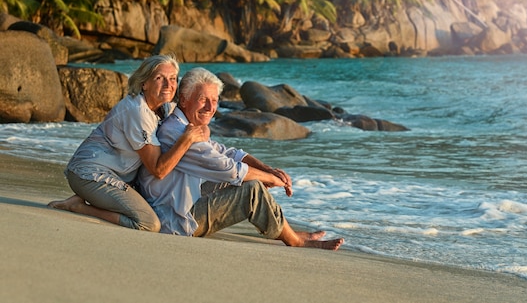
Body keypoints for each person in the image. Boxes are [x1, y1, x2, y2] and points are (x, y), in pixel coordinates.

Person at [138, 67, 344, 250]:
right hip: (176, 221)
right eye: (203, 100)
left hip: (181, 200)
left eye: (215, 101)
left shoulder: (185, 125)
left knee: (249, 179)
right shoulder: (176, 132)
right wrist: (271, 179)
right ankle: (295, 241)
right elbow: (229, 168)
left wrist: (268, 169)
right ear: (183, 99)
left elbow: (228, 152)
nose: (210, 108)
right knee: (251, 190)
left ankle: (287, 231)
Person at [48, 55, 208, 231]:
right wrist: (187, 139)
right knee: (149, 223)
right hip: (90, 174)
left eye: (172, 79)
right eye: (159, 78)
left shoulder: (164, 107)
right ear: (143, 83)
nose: (168, 84)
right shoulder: (137, 111)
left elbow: (196, 119)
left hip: (119, 176)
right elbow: (158, 170)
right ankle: (78, 206)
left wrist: (202, 128)